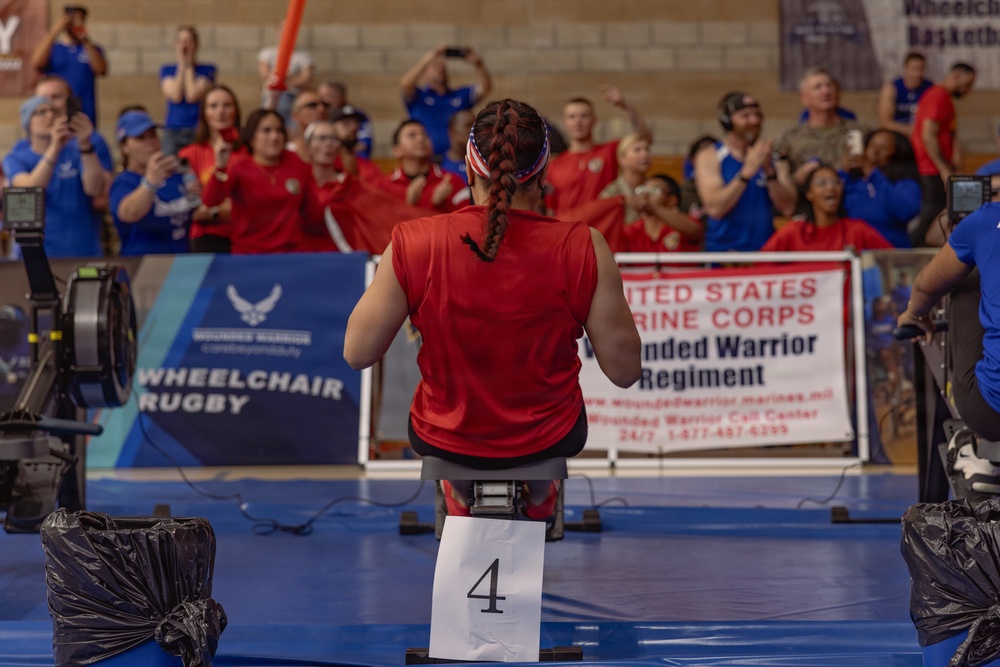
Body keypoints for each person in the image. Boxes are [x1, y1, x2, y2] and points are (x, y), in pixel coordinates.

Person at [343, 98, 641, 520]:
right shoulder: (585, 244)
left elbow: (357, 353)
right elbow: (625, 372)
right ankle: (540, 495)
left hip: (444, 433)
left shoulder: (415, 240)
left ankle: (461, 494)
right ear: (543, 173)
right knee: (543, 443)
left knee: (458, 444)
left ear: (467, 169)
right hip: (550, 435)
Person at [898, 196, 1000, 477]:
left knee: (964, 276)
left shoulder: (987, 219)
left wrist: (915, 315)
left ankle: (981, 453)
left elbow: (925, 286)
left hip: (991, 413)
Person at [201, 108, 326, 255]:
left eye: (279, 130)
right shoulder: (239, 168)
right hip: (249, 255)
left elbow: (313, 215)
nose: (274, 137)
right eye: (266, 130)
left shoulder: (296, 163)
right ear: (252, 137)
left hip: (290, 254)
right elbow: (211, 201)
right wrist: (220, 167)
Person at [2, 93, 112, 258]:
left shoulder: (77, 152)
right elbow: (29, 190)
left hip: (83, 251)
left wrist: (85, 144)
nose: (50, 115)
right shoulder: (17, 157)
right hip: (36, 255)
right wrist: (55, 147)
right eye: (41, 112)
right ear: (28, 123)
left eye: (54, 111)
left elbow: (95, 189)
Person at [694, 91, 796, 252]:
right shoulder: (710, 156)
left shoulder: (776, 159)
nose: (754, 121)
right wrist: (746, 173)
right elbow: (715, 209)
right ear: (727, 121)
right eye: (745, 116)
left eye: (757, 115)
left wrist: (770, 172)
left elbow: (788, 208)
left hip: (764, 251)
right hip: (724, 252)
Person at [545, 86, 652, 216]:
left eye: (584, 116)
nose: (578, 122)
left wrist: (627, 107)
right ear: (565, 122)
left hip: (602, 231)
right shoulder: (554, 165)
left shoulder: (609, 151)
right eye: (572, 117)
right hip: (568, 231)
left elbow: (643, 138)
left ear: (594, 120)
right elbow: (550, 210)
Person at [910, 62, 976, 247]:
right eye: (967, 84)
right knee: (932, 218)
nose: (967, 90)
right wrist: (943, 169)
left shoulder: (944, 99)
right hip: (931, 169)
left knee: (942, 215)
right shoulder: (937, 96)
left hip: (939, 169)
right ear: (955, 76)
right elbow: (928, 135)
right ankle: (910, 260)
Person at [109, 111, 193, 255]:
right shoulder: (124, 182)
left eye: (153, 135)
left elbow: (193, 213)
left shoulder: (175, 177)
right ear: (124, 146)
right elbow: (128, 213)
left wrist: (197, 196)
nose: (150, 142)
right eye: (140, 138)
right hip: (141, 266)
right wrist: (150, 182)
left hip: (180, 264)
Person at [760, 164, 893, 252]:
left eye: (836, 182)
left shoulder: (858, 230)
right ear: (809, 194)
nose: (830, 188)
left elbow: (892, 261)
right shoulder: (794, 232)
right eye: (821, 183)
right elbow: (759, 267)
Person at [177, 84, 244, 253]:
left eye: (227, 105)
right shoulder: (188, 154)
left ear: (236, 112)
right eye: (213, 106)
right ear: (204, 114)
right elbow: (192, 205)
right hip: (205, 236)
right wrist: (218, 212)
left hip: (243, 236)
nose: (220, 111)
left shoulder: (247, 153)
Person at [776, 68, 866, 186]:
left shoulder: (859, 131)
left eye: (829, 86)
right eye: (817, 87)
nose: (826, 91)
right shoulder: (790, 138)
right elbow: (781, 184)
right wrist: (799, 177)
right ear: (804, 98)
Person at [399, 45, 492, 157]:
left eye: (443, 66)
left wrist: (478, 64)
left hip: (457, 158)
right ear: (424, 74)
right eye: (434, 66)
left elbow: (485, 88)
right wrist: (428, 59)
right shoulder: (419, 96)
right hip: (427, 158)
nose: (440, 68)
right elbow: (405, 84)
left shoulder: (459, 95)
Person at [841, 129, 922, 248]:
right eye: (871, 146)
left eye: (883, 148)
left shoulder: (905, 185)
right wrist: (844, 172)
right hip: (853, 255)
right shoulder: (851, 181)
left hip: (892, 256)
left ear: (898, 154)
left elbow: (904, 212)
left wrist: (873, 173)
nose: (874, 151)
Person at [31, 4, 107, 125]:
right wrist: (55, 30)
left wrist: (84, 38)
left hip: (84, 109)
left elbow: (101, 70)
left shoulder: (91, 48)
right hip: (55, 111)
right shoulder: (54, 48)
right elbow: (37, 63)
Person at [382, 119, 468, 212]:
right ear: (397, 150)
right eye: (412, 135)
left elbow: (466, 221)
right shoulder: (384, 187)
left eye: (425, 134)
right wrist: (409, 205)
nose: (421, 138)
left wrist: (442, 205)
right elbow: (382, 224)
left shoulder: (453, 182)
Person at [159, 25, 216, 156]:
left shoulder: (208, 69)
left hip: (197, 129)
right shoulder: (167, 70)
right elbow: (175, 95)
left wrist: (189, 64)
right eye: (181, 41)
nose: (185, 45)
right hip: (173, 129)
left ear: (196, 44)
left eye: (189, 41)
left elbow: (192, 95)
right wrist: (182, 65)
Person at [622, 174, 703, 254]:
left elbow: (695, 231)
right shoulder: (631, 230)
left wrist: (652, 208)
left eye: (654, 190)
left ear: (671, 200)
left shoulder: (684, 225)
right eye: (643, 190)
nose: (645, 195)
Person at [257, 22, 314, 126]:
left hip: (292, 95)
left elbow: (306, 78)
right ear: (278, 32)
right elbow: (264, 72)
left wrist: (285, 79)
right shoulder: (268, 53)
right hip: (270, 94)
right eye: (283, 30)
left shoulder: (302, 56)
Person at [599, 133, 652, 224]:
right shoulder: (611, 193)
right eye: (637, 150)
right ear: (622, 159)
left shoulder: (654, 188)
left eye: (647, 149)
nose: (645, 154)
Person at [878, 52, 934, 135]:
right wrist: (908, 130)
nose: (917, 74)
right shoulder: (892, 88)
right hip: (898, 135)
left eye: (921, 69)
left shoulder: (931, 89)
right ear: (905, 69)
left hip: (923, 135)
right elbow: (885, 123)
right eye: (914, 69)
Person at [329, 104, 384, 184]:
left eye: (356, 123)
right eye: (346, 123)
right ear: (330, 128)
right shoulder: (326, 167)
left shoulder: (370, 169)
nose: (353, 128)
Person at [318, 81, 374, 158]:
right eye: (321, 96)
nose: (324, 101)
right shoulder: (320, 117)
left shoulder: (359, 116)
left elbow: (364, 145)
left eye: (328, 96)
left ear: (341, 97)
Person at [287, 89, 330, 161]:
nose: (322, 109)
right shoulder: (287, 152)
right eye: (312, 105)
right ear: (296, 116)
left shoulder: (338, 151)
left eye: (325, 105)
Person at [440, 110, 474, 181]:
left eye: (475, 125)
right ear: (452, 132)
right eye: (468, 125)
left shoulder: (483, 161)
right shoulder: (439, 166)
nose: (473, 130)